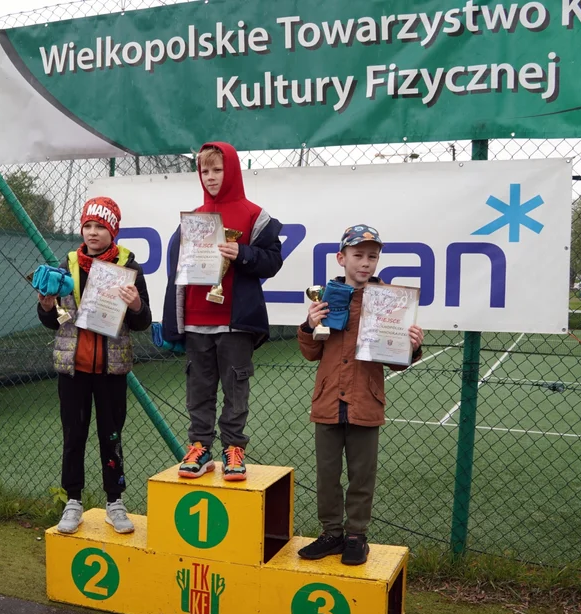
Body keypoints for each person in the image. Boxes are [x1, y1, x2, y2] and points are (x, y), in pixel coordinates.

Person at [296, 225, 423, 566]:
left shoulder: (390, 301)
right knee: (326, 475)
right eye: (358, 255)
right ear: (342, 258)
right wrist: (309, 325)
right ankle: (331, 534)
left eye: (372, 256)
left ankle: (355, 537)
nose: (365, 263)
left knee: (361, 476)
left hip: (365, 401)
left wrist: (411, 346)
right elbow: (310, 352)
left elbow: (396, 363)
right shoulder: (326, 298)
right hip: (328, 401)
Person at [161, 142, 283, 481]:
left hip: (235, 322)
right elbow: (176, 272)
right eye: (205, 171)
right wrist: (173, 322)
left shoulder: (255, 215)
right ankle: (200, 448)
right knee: (198, 390)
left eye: (217, 169)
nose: (211, 177)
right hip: (197, 321)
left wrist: (242, 253)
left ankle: (234, 448)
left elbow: (273, 261)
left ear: (232, 171)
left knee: (235, 390)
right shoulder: (193, 218)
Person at [38, 197, 152, 535]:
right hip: (73, 370)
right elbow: (52, 321)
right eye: (87, 225)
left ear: (112, 230)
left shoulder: (129, 267)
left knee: (111, 436)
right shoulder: (67, 263)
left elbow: (143, 322)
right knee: (73, 436)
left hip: (111, 371)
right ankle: (73, 501)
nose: (92, 232)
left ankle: (114, 501)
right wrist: (46, 306)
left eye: (100, 226)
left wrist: (136, 304)